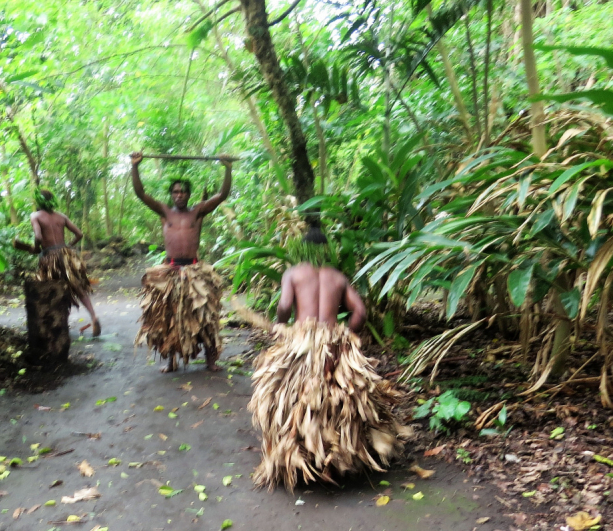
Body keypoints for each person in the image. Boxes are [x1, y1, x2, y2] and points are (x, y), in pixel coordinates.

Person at [248, 226, 408, 492]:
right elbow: (360, 312)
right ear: (326, 251)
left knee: (290, 400)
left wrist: (282, 327)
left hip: (302, 341)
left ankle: (302, 461)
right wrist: (346, 335)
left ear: (302, 250)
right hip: (334, 341)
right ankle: (335, 462)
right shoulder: (338, 277)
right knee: (340, 400)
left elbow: (285, 305)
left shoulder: (293, 273)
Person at [130, 152, 232, 372]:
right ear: (171, 194)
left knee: (205, 316)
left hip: (195, 271)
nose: (180, 195)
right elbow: (140, 193)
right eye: (176, 191)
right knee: (169, 318)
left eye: (183, 191)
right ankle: (171, 361)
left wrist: (227, 168)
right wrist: (135, 166)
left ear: (189, 195)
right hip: (171, 271)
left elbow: (223, 194)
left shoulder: (197, 212)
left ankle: (211, 360)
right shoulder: (164, 212)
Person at [30, 189, 100, 337]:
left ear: (38, 201)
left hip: (50, 258)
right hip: (67, 255)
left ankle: (59, 326)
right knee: (78, 287)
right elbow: (79, 234)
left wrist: (36, 248)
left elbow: (37, 236)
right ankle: (93, 317)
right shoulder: (61, 217)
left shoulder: (35, 216)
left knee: (53, 290)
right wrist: (68, 245)